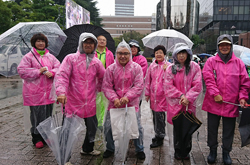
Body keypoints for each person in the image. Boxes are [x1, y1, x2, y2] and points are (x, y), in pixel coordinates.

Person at [55, 33, 105, 158]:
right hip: (72, 102)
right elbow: (62, 76)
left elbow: (104, 78)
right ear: (81, 43)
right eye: (86, 42)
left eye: (91, 42)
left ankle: (87, 149)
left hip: (90, 102)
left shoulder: (96, 62)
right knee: (67, 131)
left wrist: (99, 90)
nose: (88, 45)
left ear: (95, 45)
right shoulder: (70, 59)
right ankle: (64, 157)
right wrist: (61, 92)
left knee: (92, 128)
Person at [202, 34, 250, 165]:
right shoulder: (211, 62)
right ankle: (212, 150)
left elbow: (244, 83)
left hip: (231, 104)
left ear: (231, 46)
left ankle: (226, 152)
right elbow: (208, 78)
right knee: (212, 129)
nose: (224, 47)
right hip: (214, 103)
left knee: (228, 130)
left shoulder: (239, 63)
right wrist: (215, 93)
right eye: (222, 45)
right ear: (218, 46)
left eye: (227, 44)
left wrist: (242, 98)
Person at [102, 40, 146, 160]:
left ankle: (139, 148)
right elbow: (106, 86)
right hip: (114, 104)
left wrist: (128, 96)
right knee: (108, 127)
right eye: (120, 53)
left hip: (131, 103)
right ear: (116, 54)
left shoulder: (136, 68)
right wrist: (114, 98)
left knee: (135, 127)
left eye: (126, 53)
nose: (122, 56)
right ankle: (110, 148)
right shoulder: (110, 69)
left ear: (130, 55)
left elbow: (139, 85)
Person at [17, 33, 60, 149]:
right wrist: (38, 71)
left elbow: (59, 67)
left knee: (47, 115)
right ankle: (36, 137)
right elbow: (22, 71)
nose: (41, 43)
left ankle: (46, 136)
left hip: (49, 93)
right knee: (36, 116)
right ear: (34, 43)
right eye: (38, 41)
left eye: (43, 41)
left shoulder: (51, 57)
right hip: (34, 93)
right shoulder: (28, 57)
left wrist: (53, 72)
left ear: (46, 43)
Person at [164, 43, 202, 160]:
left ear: (188, 54)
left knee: (188, 127)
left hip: (189, 104)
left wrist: (188, 97)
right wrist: (180, 95)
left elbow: (197, 85)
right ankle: (178, 150)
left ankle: (186, 150)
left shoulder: (194, 67)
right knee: (178, 128)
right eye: (179, 53)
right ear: (175, 55)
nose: (181, 56)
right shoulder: (171, 68)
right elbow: (168, 86)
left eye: (183, 53)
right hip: (176, 104)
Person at [145, 45, 171, 148]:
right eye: (156, 53)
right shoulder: (152, 66)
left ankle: (160, 137)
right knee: (155, 117)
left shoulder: (169, 65)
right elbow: (148, 80)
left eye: (160, 52)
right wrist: (147, 93)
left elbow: (171, 80)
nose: (158, 54)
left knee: (160, 117)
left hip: (163, 96)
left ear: (164, 54)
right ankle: (157, 134)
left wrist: (166, 70)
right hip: (153, 96)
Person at [94, 35, 114, 129]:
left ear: (106, 43)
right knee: (96, 101)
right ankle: (96, 120)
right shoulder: (93, 52)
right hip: (94, 80)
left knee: (104, 101)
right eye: (100, 40)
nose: (102, 41)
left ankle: (102, 121)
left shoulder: (109, 53)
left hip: (106, 80)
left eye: (104, 40)